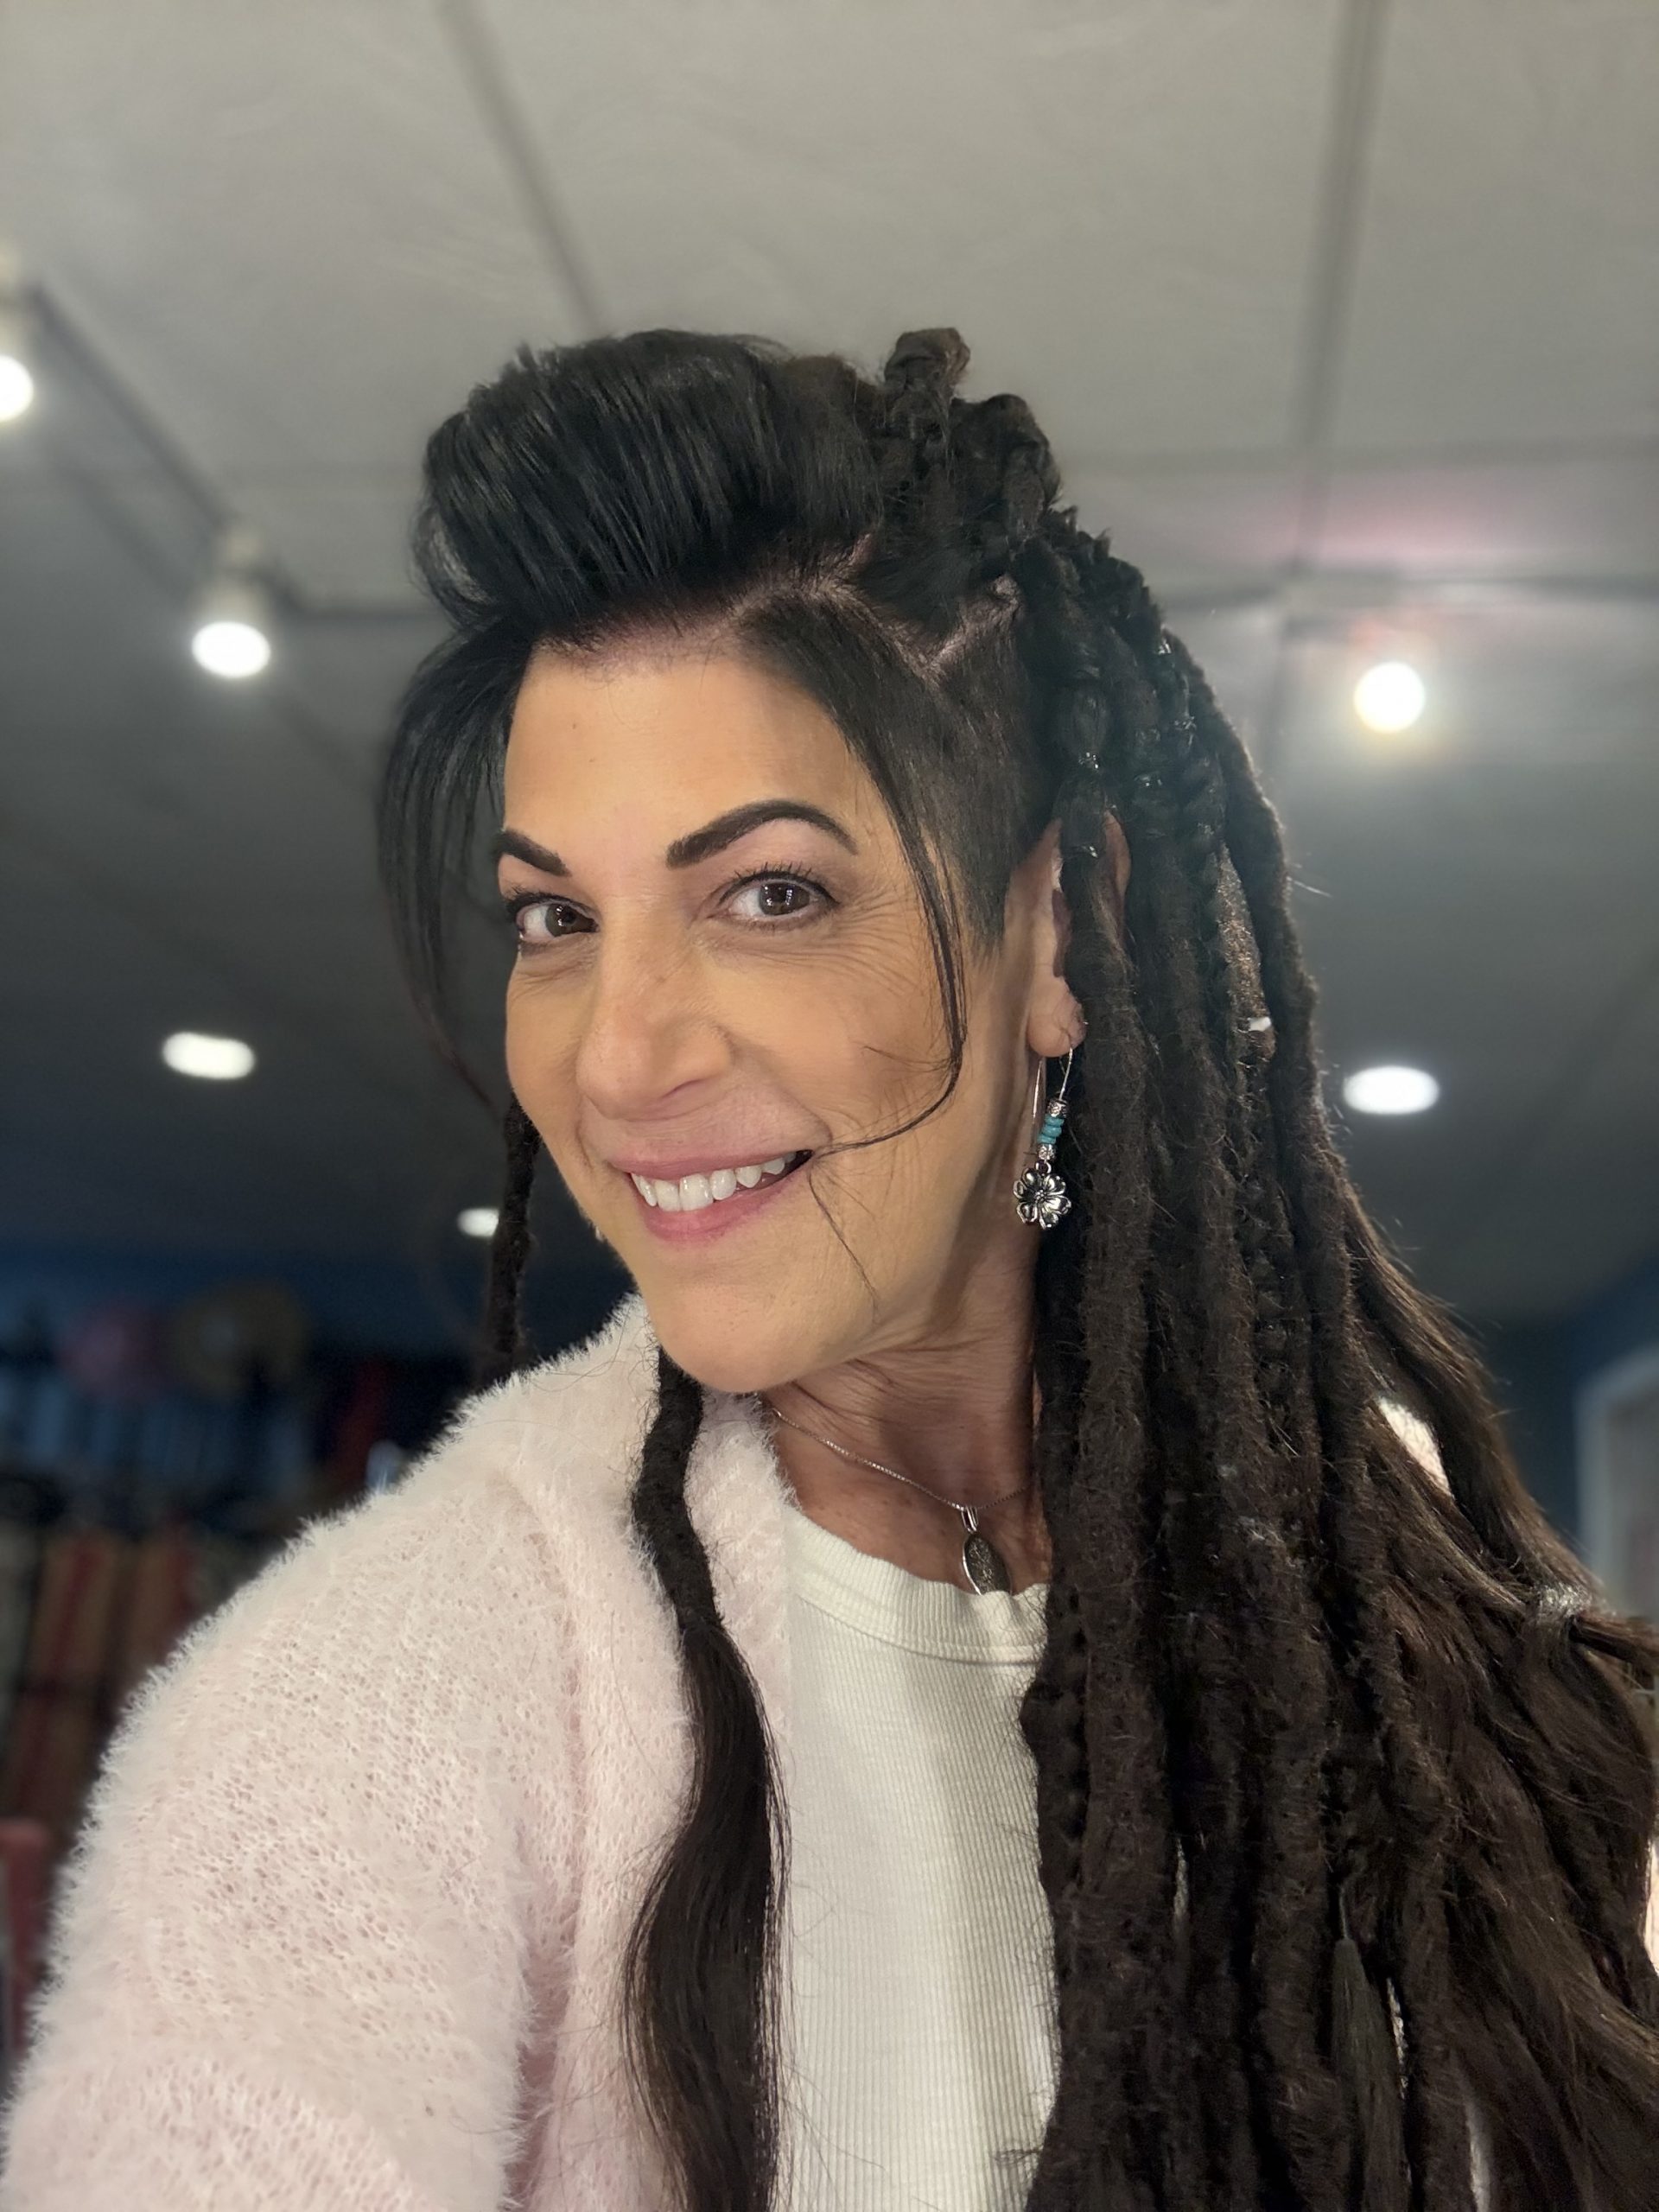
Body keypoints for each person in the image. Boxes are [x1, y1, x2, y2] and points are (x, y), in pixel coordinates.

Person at [3, 328, 1656, 2212]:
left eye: (769, 893)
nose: (620, 1056)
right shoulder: (371, 1701)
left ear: (1066, 926)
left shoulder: (1377, 1551)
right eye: (554, 917)